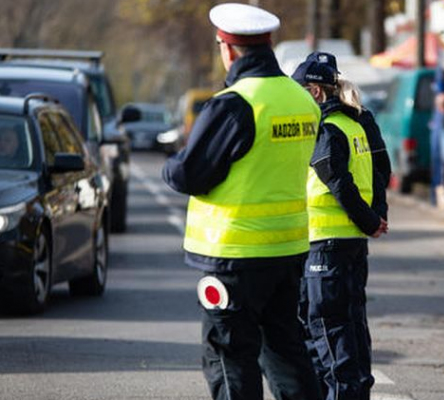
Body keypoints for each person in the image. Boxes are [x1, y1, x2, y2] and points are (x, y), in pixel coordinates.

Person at [162, 4, 323, 400]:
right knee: (286, 351)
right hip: (287, 250)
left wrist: (172, 164)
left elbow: (189, 174)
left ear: (229, 49)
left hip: (234, 254)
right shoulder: (301, 100)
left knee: (229, 355)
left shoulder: (235, 103)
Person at [292, 52, 388, 400]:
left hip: (324, 245)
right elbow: (381, 173)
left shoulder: (326, 127)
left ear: (316, 92)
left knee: (328, 333)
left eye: (299, 91)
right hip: (350, 244)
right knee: (351, 329)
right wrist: (375, 218)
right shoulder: (357, 122)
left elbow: (336, 179)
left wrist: (369, 219)